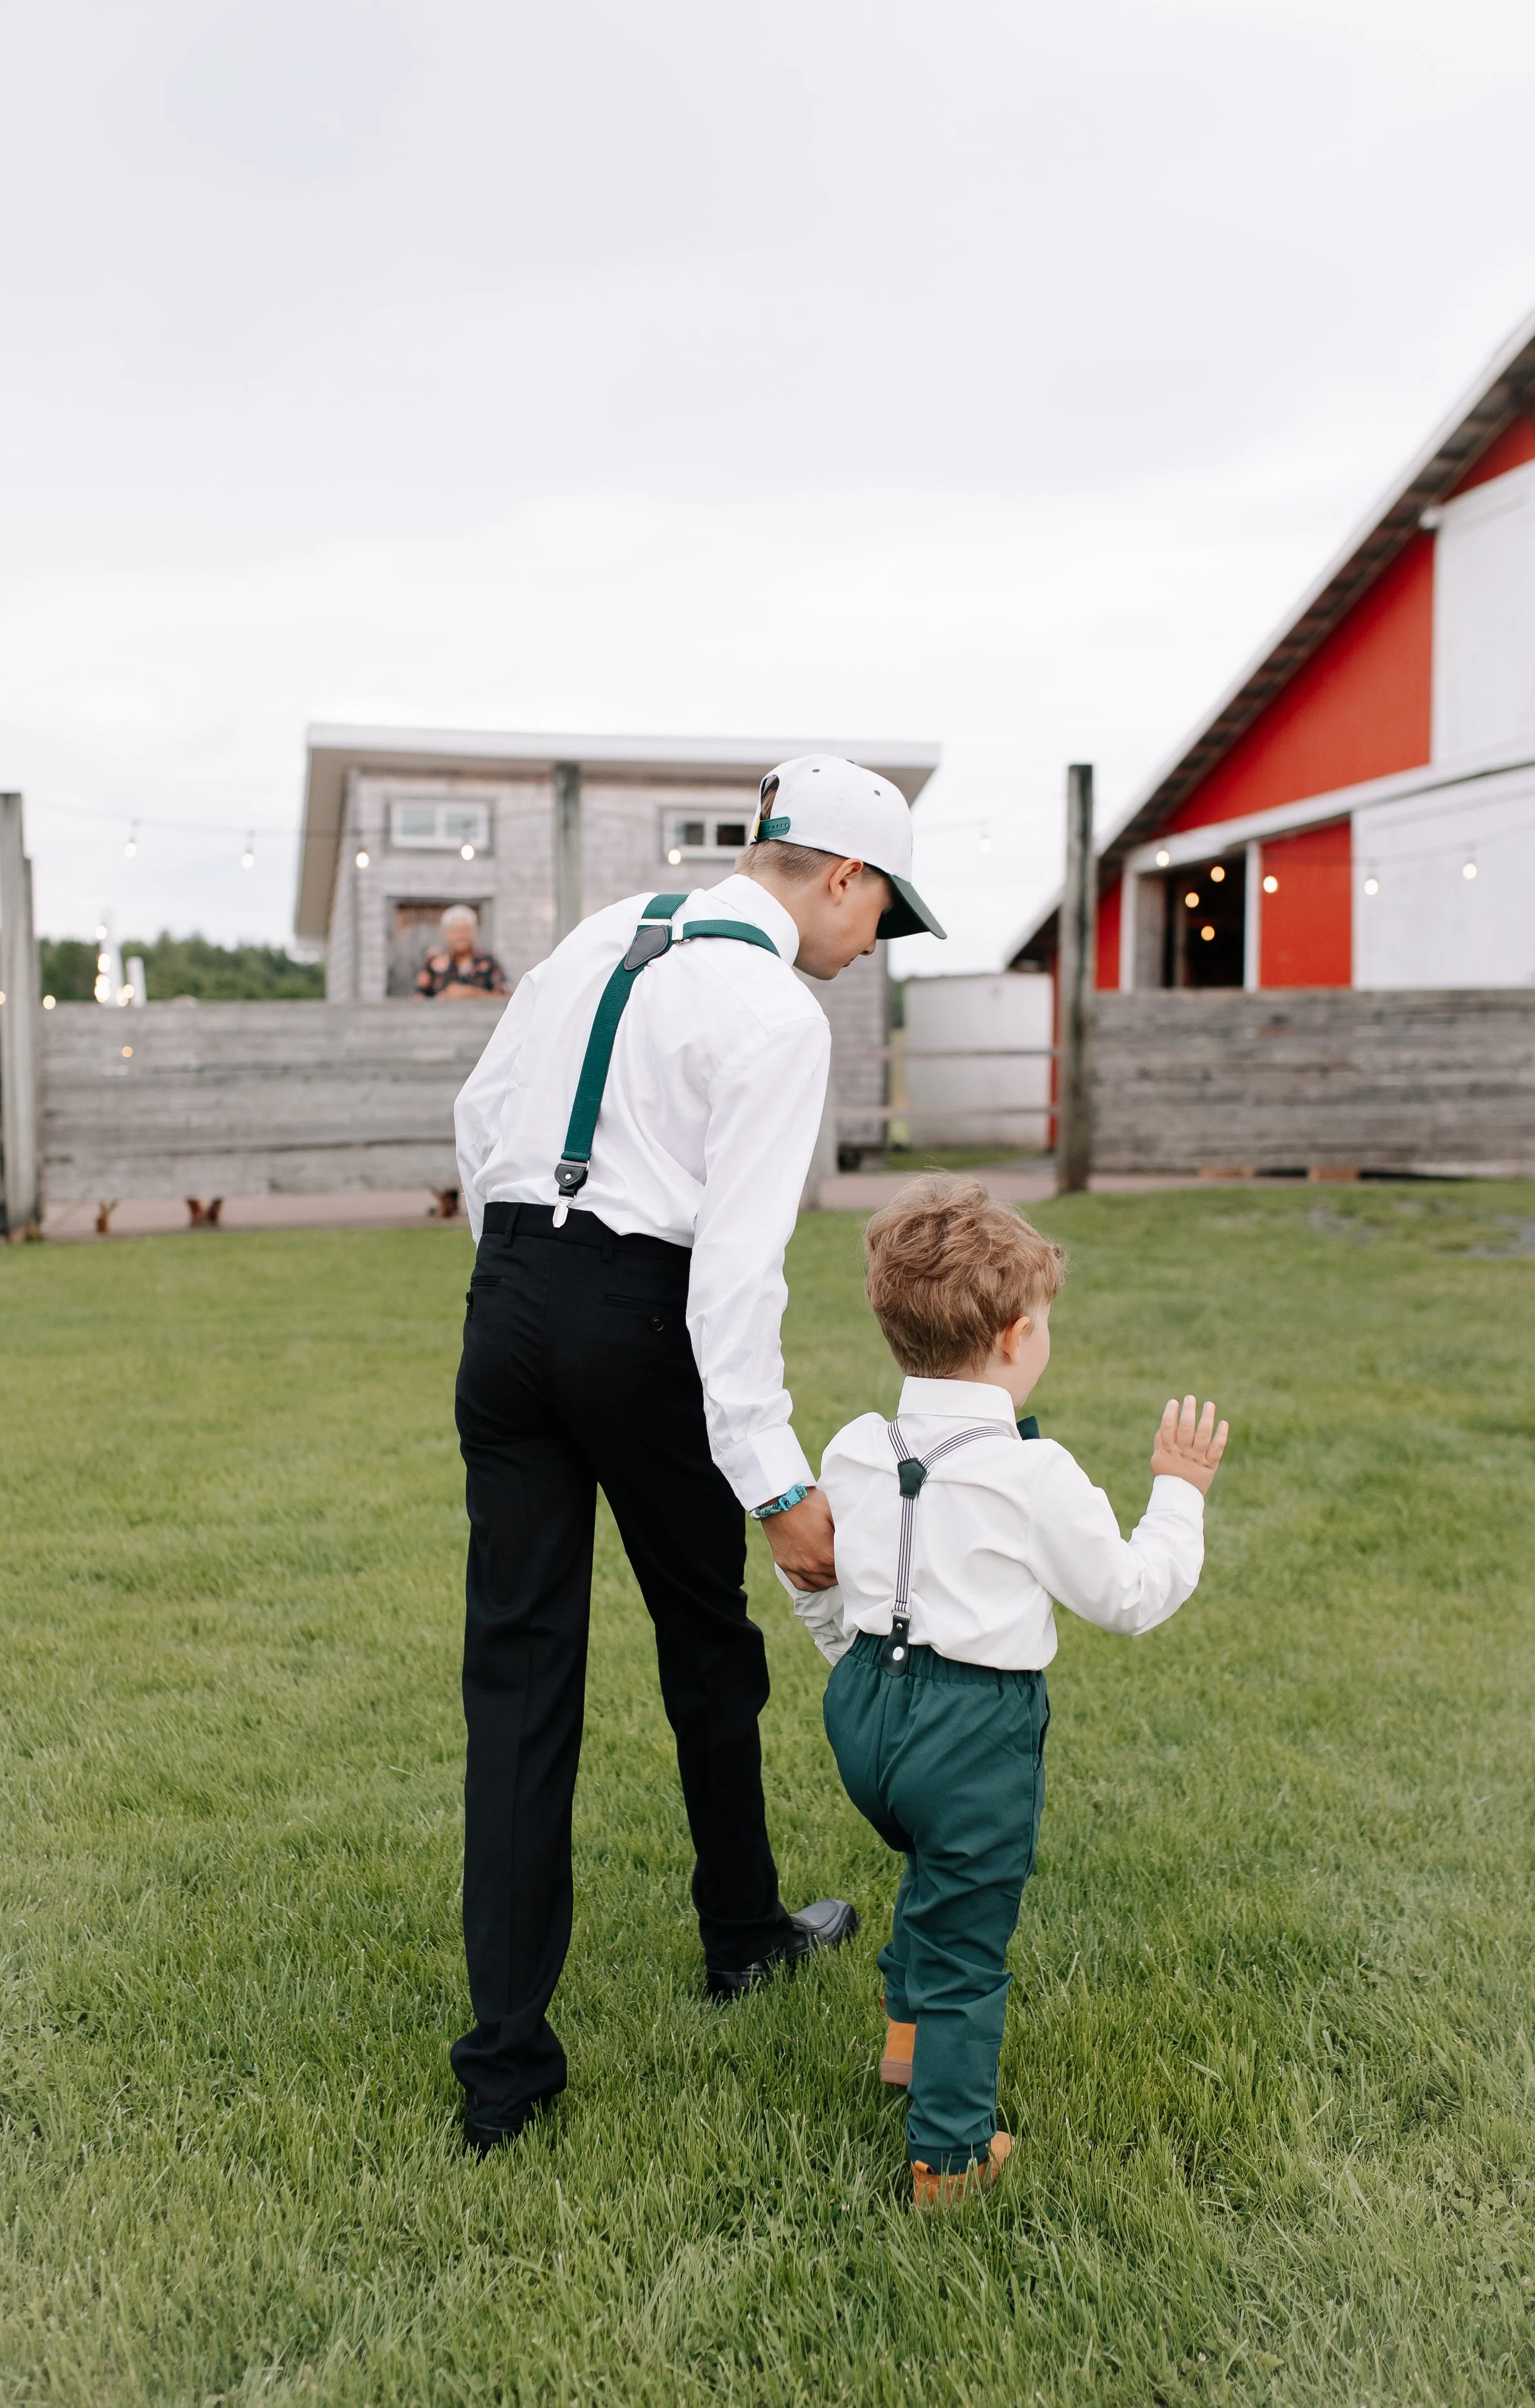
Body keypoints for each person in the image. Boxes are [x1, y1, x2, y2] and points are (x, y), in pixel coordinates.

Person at [449, 755, 947, 2154]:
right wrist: (779, 1486)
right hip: (631, 1317)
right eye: (883, 914)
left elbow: (483, 1118)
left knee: (518, 1681)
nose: (872, 947)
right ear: (838, 877)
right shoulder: (776, 1019)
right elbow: (735, 1276)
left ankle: (503, 2075)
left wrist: (510, 1288)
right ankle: (738, 1934)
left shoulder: (605, 931)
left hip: (506, 1300)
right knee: (707, 1637)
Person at [791, 1178, 1228, 2206]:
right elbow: (1125, 1596)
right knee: (971, 1942)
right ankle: (949, 2157)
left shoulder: (856, 1445)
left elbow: (809, 1567)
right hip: (973, 1734)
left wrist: (847, 1657)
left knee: (929, 1876)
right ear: (1017, 1336)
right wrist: (1178, 1494)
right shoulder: (1034, 1472)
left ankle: (905, 2037)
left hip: (862, 1713)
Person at [416, 905, 511, 998]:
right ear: (446, 933)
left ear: (474, 932)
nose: (460, 936)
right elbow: (418, 998)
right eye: (455, 931)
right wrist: (443, 998)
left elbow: (506, 997)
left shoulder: (488, 961)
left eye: (465, 930)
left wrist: (472, 993)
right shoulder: (433, 961)